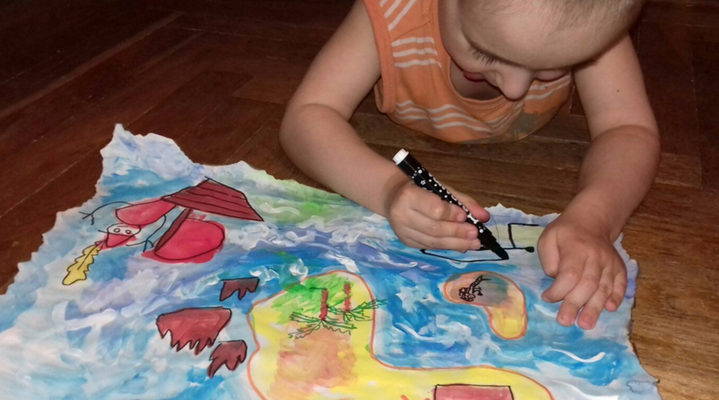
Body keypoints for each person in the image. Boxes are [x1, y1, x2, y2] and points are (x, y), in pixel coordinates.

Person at [279, 0, 659, 330]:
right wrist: (387, 189)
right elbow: (307, 117)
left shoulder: (589, 22)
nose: (514, 88)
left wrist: (595, 217)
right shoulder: (393, 11)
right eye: (485, 53)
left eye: (553, 68)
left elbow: (627, 129)